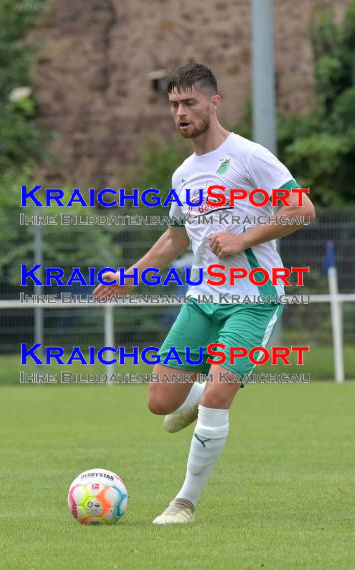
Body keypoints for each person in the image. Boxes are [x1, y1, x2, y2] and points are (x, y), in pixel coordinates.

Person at [94, 63, 315, 524]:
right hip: (202, 299)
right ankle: (198, 395)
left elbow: (302, 209)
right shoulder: (182, 175)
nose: (180, 112)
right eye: (174, 104)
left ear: (214, 103)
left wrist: (244, 239)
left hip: (253, 300)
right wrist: (129, 276)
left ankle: (184, 503)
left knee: (218, 398)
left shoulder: (250, 155)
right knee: (161, 403)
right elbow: (175, 238)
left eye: (190, 103)